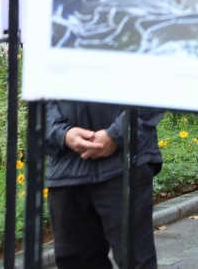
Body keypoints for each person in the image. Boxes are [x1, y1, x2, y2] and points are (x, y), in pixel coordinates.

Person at [46, 102, 164, 269]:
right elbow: (39, 102)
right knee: (74, 261)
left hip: (125, 163)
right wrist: (63, 134)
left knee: (135, 260)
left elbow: (154, 88)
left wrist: (117, 134)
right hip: (66, 170)